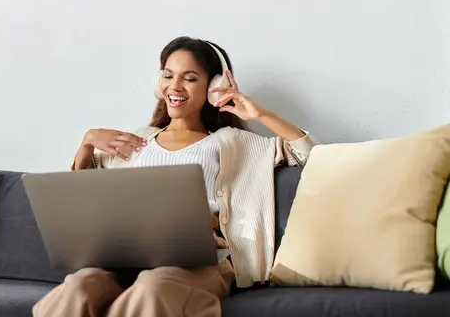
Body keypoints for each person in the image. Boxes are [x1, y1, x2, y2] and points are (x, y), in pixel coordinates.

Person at [33, 36, 318, 317]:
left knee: (153, 286)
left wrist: (261, 114)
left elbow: (309, 154)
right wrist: (87, 143)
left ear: (213, 87)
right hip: (132, 254)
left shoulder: (231, 142)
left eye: (190, 78)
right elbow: (82, 193)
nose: (175, 86)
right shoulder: (136, 141)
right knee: (82, 285)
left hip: (200, 258)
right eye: (168, 76)